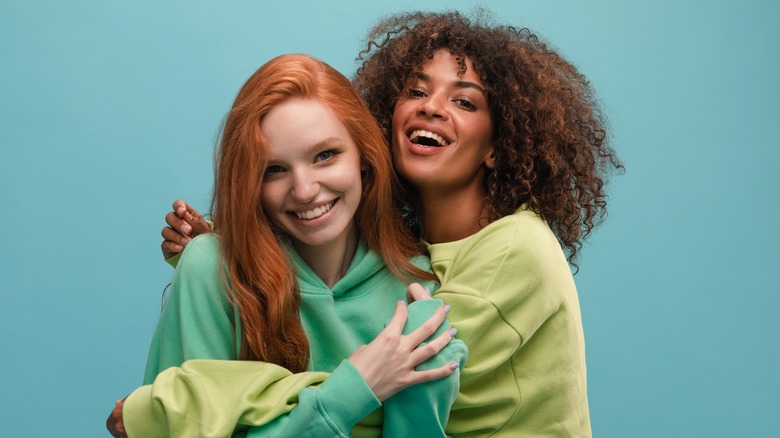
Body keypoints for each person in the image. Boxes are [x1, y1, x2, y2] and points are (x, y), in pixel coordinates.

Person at [132, 9, 624, 437]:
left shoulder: (498, 257)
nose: (432, 106)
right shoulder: (415, 250)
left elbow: (390, 392)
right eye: (416, 90)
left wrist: (173, 408)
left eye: (465, 101)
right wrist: (230, 250)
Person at [107, 53, 467, 438]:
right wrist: (355, 388)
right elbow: (172, 427)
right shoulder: (211, 268)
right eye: (273, 170)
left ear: (364, 156)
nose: (305, 190)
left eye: (325, 155)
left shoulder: (417, 285)